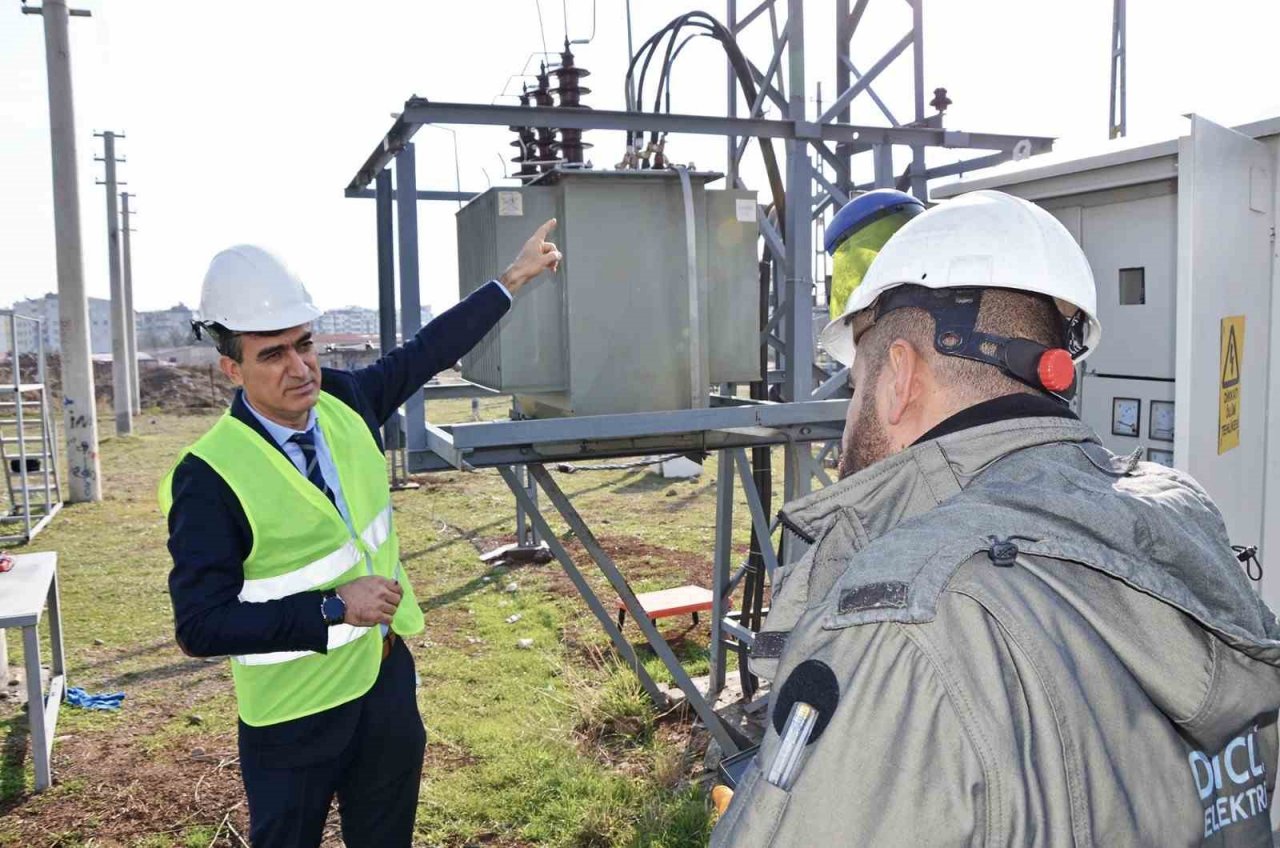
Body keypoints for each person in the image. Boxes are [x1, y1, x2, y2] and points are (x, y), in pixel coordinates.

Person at [711, 190, 1280, 846]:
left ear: (899, 377)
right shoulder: (1184, 531)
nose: (850, 415)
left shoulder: (903, 625)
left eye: (858, 383)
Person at [160, 220, 561, 848]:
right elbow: (200, 626)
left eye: (304, 344)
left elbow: (425, 352)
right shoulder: (207, 478)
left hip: (383, 685)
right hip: (292, 717)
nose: (300, 369)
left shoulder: (346, 400)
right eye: (272, 354)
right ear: (231, 369)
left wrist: (510, 280)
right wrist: (333, 607)